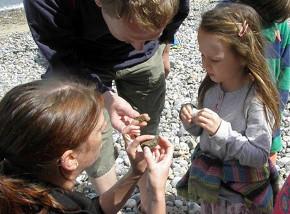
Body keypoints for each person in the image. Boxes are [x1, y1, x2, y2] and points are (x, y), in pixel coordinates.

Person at [23, 0, 189, 194]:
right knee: (93, 136)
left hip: (144, 65)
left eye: (149, 37)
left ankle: (148, 196)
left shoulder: (146, 42)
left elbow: (179, 12)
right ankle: (108, 203)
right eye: (131, 37)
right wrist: (102, 94)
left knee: (146, 129)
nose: (138, 48)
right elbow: (58, 54)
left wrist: (164, 45)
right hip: (82, 61)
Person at [0, 77, 173, 214]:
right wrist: (157, 191)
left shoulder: (15, 176)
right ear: (70, 159)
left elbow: (94, 210)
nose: (106, 127)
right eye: (100, 130)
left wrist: (136, 172)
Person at [176, 3, 281, 213]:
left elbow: (259, 154)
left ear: (243, 55)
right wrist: (192, 122)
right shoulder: (210, 89)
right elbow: (204, 133)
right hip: (212, 188)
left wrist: (221, 131)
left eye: (214, 59)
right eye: (202, 55)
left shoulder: (255, 99)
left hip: (239, 198)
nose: (205, 65)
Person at [222, 0, 290, 165]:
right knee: (230, 146)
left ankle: (266, 185)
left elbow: (285, 73)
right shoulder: (231, 18)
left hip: (264, 103)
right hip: (234, 103)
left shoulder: (281, 26)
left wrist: (276, 108)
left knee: (268, 147)